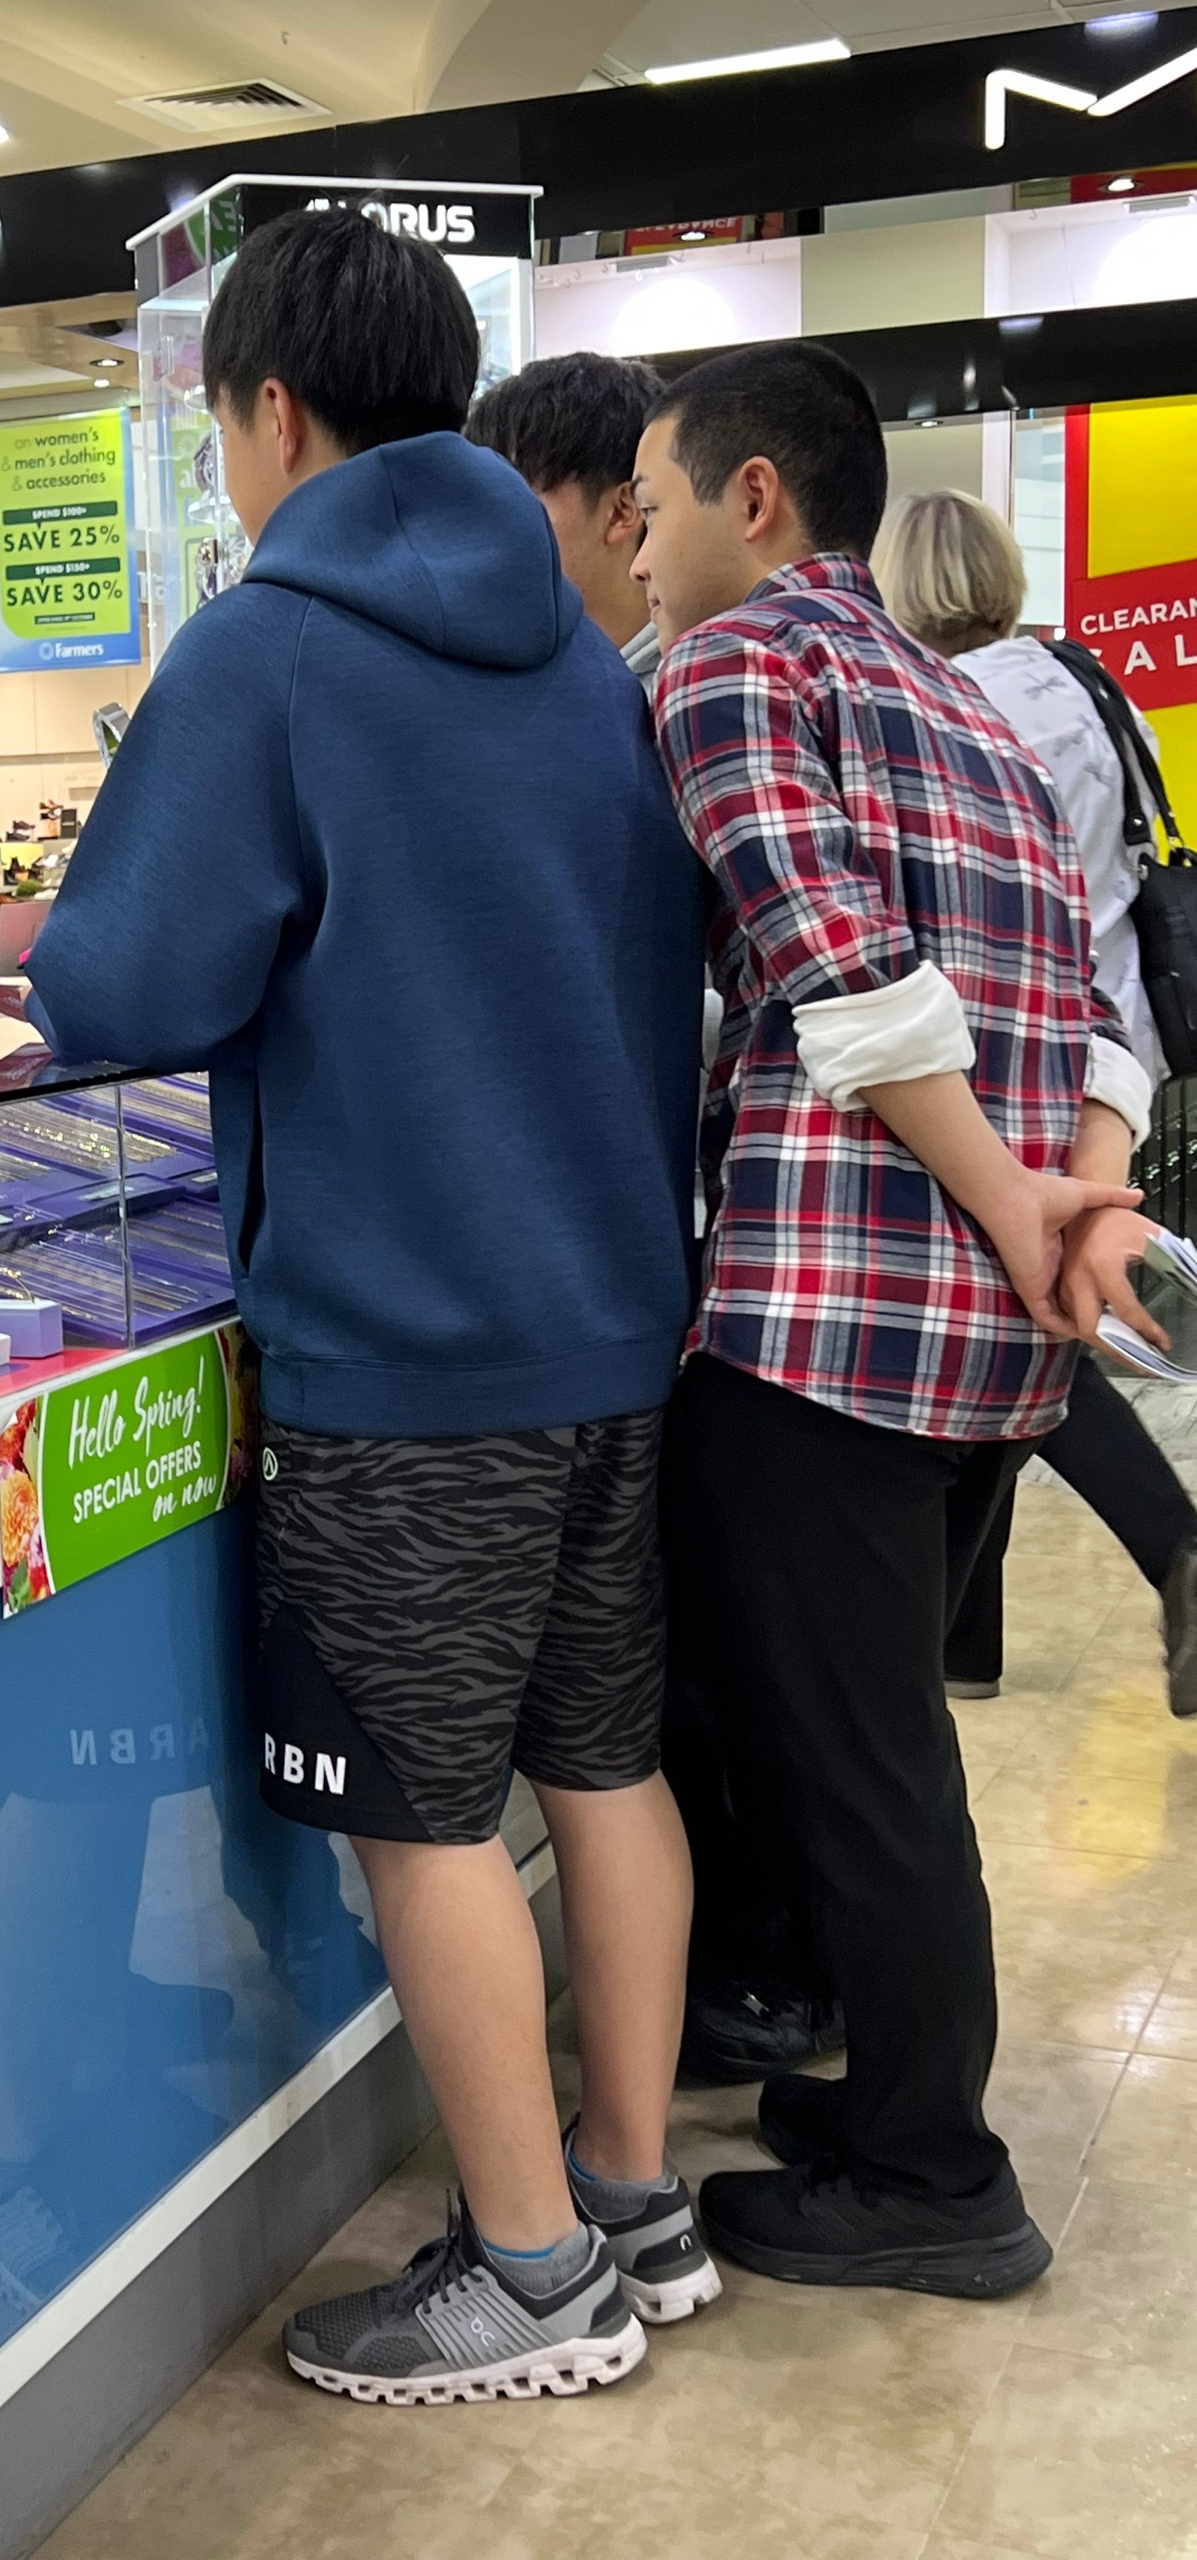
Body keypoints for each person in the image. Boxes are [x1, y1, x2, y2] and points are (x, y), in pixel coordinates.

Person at [26, 208, 711, 2404]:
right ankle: (631, 2192)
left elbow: (122, 986)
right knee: (605, 1764)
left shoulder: (269, 650)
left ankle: (527, 2277)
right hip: (610, 1317)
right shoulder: (586, 657)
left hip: (406, 1347)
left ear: (270, 408)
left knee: (421, 1813)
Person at [631, 340, 1158, 2296]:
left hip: (829, 1322)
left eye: (655, 505)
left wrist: (1016, 1194)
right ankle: (884, 2108)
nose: (641, 546)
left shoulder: (735, 666)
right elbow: (1094, 1011)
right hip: (982, 1342)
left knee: (860, 1771)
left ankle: (937, 2169)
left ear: (753, 497)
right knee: (882, 1750)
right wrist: (1069, 1190)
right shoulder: (969, 705)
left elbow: (836, 969)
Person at [873, 488, 1197, 1712]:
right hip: (1114, 1063)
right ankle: (966, 1638)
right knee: (1026, 1319)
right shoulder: (1090, 683)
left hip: (1014, 1058)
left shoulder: (955, 707)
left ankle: (1177, 1541)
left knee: (1025, 1321)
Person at [466, 351, 664, 690]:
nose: (488, 530)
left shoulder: (695, 693)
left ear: (622, 511)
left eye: (517, 497)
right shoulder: (499, 675)